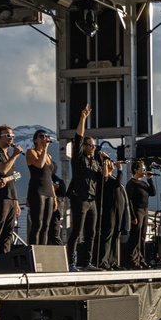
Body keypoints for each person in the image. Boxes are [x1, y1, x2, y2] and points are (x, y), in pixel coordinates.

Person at [65, 104, 104, 270]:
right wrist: (83, 118)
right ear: (85, 147)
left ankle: (87, 262)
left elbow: (102, 179)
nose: (94, 148)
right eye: (91, 145)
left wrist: (107, 165)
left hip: (92, 200)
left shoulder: (95, 163)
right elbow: (78, 137)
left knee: (91, 233)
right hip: (79, 198)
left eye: (95, 146)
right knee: (76, 231)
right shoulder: (79, 158)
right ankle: (71, 263)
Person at [0, 125, 24, 271]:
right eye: (7, 135)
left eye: (12, 135)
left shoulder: (7, 155)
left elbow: (11, 179)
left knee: (8, 232)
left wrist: (17, 201)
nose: (11, 138)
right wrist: (14, 155)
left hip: (11, 197)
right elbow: (3, 170)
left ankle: (5, 260)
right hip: (0, 196)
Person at [25, 129, 58, 245]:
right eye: (41, 136)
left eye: (46, 136)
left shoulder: (48, 156)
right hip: (37, 190)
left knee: (46, 224)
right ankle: (33, 250)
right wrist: (44, 148)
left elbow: (50, 176)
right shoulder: (31, 152)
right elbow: (39, 165)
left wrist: (54, 197)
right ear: (35, 140)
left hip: (49, 190)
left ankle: (43, 250)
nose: (44, 138)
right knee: (37, 223)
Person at [97, 158, 130, 270]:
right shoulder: (105, 178)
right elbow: (117, 184)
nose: (112, 164)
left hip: (118, 210)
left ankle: (113, 261)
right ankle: (103, 260)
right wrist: (120, 170)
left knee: (116, 234)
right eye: (110, 163)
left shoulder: (113, 177)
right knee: (108, 234)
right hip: (110, 209)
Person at [125, 160, 156, 268]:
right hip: (137, 210)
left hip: (145, 209)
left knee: (142, 236)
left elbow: (153, 193)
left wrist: (150, 180)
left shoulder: (143, 183)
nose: (144, 171)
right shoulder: (131, 183)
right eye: (142, 169)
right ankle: (132, 260)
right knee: (135, 235)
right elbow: (128, 201)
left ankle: (141, 259)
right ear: (136, 170)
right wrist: (133, 216)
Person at [49, 172, 67, 246]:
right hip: (57, 210)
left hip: (56, 210)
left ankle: (61, 251)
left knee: (54, 233)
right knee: (54, 233)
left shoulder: (56, 181)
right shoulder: (58, 181)